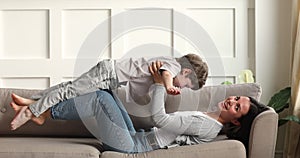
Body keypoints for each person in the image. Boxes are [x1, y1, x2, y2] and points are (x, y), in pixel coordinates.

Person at [10, 62, 268, 154]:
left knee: (100, 100)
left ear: (235, 122)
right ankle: (40, 107)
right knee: (103, 91)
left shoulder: (206, 125)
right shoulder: (209, 117)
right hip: (135, 137)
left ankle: (44, 111)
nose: (232, 101)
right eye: (236, 100)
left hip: (131, 147)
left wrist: (158, 84)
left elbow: (160, 118)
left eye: (237, 108)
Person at [10, 54, 209, 130]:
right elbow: (166, 75)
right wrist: (168, 87)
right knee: (69, 91)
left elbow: (139, 92)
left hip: (109, 80)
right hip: (107, 73)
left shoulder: (166, 67)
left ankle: (32, 100)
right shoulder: (171, 66)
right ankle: (32, 112)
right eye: (186, 85)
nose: (182, 88)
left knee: (68, 88)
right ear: (186, 72)